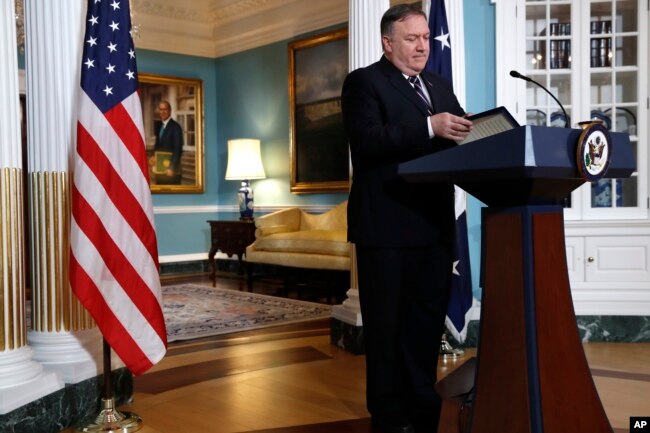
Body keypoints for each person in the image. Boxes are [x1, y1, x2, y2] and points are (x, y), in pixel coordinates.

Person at [340, 4, 472, 433]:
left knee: (423, 328)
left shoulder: (437, 84)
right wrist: (429, 127)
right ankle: (390, 418)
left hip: (434, 228)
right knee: (386, 330)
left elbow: (461, 137)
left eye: (425, 38)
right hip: (387, 230)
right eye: (412, 38)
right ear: (388, 43)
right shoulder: (363, 82)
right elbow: (367, 141)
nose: (422, 46)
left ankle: (422, 412)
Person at [152, 100, 183, 184]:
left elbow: (178, 149)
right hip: (160, 169)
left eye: (165, 109)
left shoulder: (176, 127)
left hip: (171, 172)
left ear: (170, 110)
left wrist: (172, 168)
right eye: (161, 109)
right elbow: (157, 144)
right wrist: (153, 156)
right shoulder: (159, 126)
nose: (163, 112)